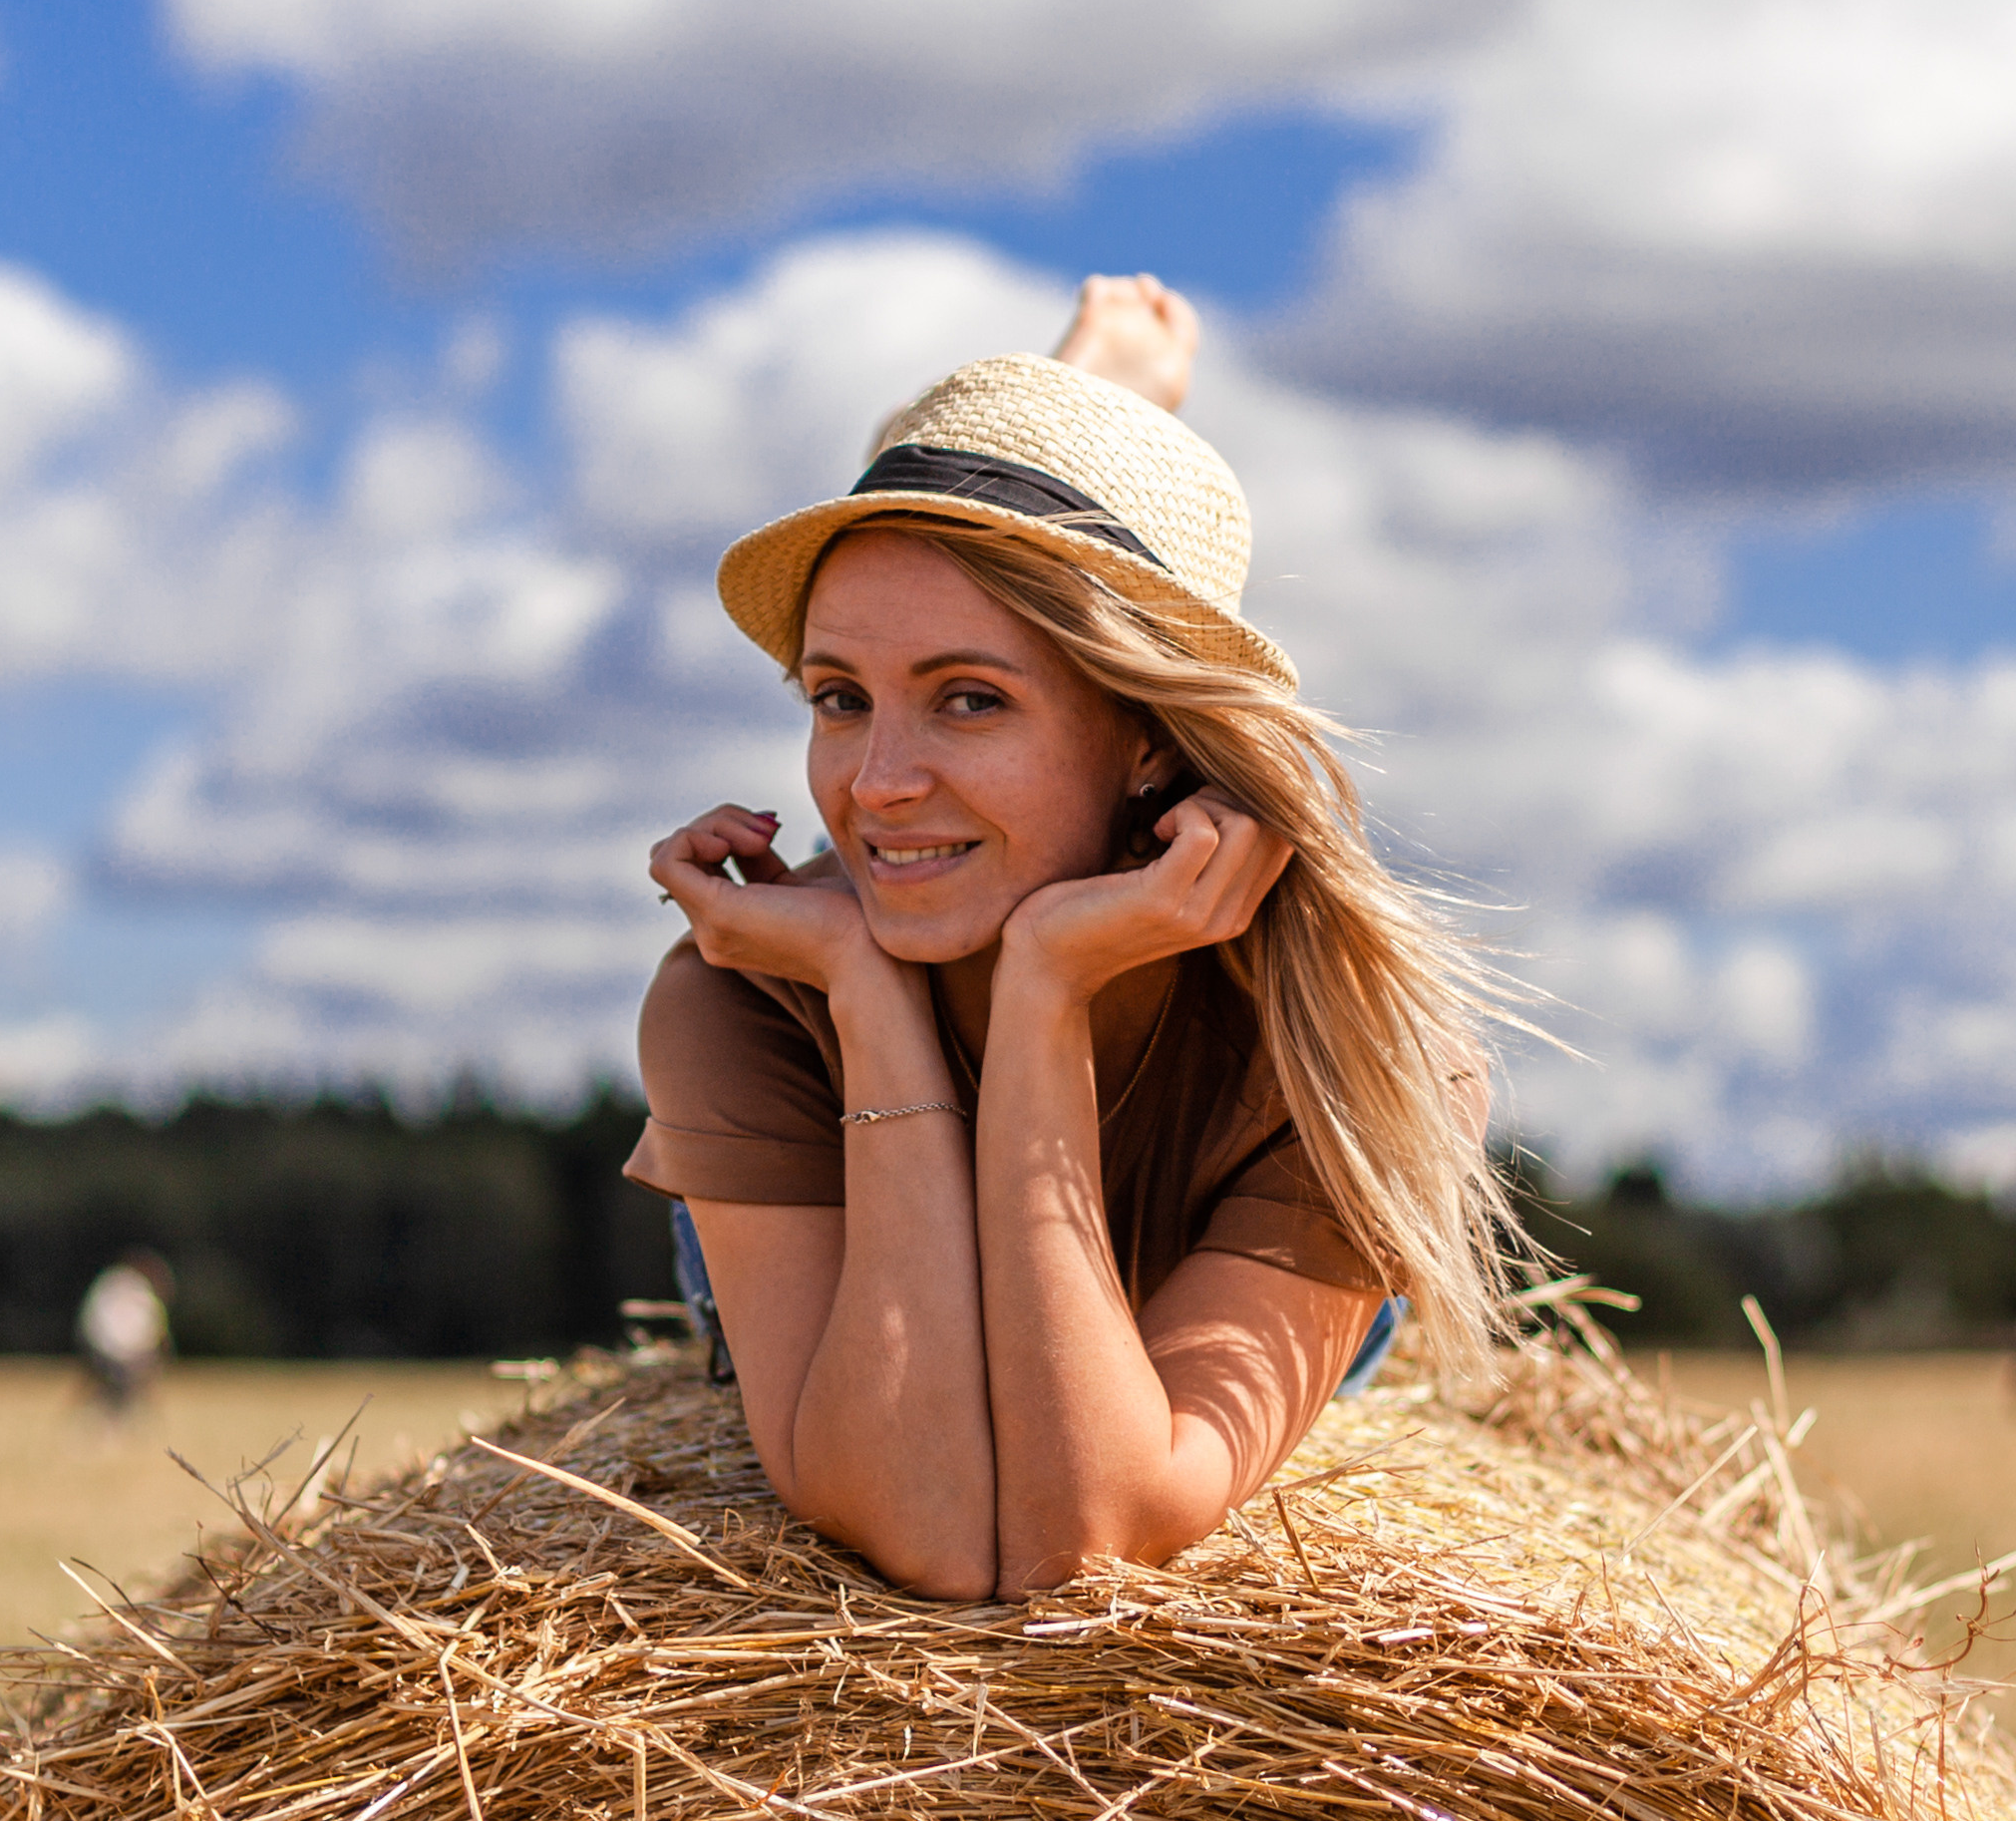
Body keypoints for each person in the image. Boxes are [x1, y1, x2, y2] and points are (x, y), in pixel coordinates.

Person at [627, 274, 1507, 1600]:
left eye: (969, 700)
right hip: (838, 1192)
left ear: (1149, 734)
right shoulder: (753, 987)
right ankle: (1064, 420)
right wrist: (865, 991)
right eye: (837, 698)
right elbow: (927, 1529)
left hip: (1182, 1262)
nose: (875, 783)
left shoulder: (1364, 1059)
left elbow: (1081, 1533)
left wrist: (1043, 990)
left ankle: (1072, 413)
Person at [76, 1251, 174, 1415]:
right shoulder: (141, 1290)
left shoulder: (108, 1283)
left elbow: (89, 1320)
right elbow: (154, 1330)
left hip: (101, 1350)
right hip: (130, 1356)